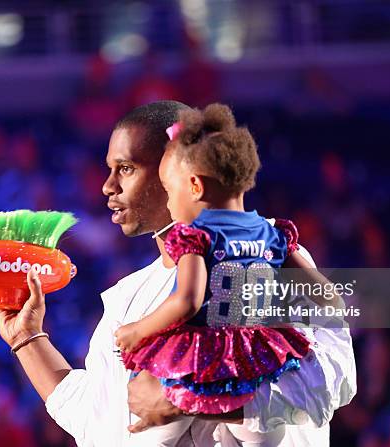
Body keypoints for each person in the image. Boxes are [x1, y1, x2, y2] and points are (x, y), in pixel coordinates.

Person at [0, 100, 356, 446]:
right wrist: (27, 338)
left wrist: (187, 400)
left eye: (126, 168)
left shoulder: (262, 260)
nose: (108, 186)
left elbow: (329, 383)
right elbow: (99, 424)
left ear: (183, 172)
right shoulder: (126, 297)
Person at [114, 103, 312, 446]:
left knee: (156, 415)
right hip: (259, 355)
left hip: (211, 352)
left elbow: (187, 302)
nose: (170, 200)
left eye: (168, 187)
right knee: (263, 434)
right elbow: (323, 297)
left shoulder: (196, 238)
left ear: (193, 187)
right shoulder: (276, 234)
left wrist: (138, 330)